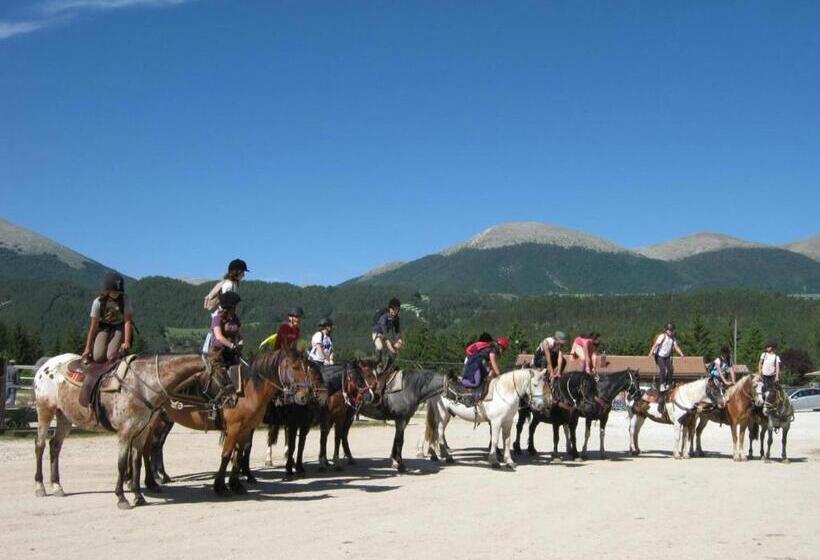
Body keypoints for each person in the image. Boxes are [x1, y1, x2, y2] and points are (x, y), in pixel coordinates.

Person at [81, 272, 133, 364]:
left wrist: (127, 342)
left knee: (111, 356)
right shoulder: (98, 302)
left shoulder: (125, 300)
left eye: (118, 292)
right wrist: (87, 348)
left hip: (119, 327)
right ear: (107, 290)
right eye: (113, 291)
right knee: (98, 357)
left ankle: (121, 358)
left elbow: (127, 321)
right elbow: (93, 327)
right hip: (104, 327)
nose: (116, 294)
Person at [207, 291, 244, 408]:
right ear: (230, 306)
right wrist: (231, 345)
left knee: (240, 374)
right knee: (220, 376)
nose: (237, 308)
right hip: (218, 352)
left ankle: (237, 399)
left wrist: (240, 341)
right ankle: (214, 403)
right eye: (235, 306)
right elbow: (219, 337)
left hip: (231, 352)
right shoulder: (217, 318)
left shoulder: (235, 318)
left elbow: (239, 334)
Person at [649, 322, 685, 391]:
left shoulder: (672, 338)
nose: (671, 332)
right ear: (665, 330)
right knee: (662, 369)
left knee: (671, 369)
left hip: (667, 357)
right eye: (669, 330)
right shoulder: (662, 336)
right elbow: (655, 345)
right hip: (659, 356)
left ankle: (669, 384)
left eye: (672, 330)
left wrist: (681, 354)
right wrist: (650, 353)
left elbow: (676, 347)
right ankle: (662, 384)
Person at [372, 298, 404, 372]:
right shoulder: (384, 317)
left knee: (394, 351)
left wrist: (399, 340)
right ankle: (378, 364)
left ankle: (388, 368)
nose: (394, 311)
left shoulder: (396, 319)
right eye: (392, 309)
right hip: (377, 333)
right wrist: (392, 341)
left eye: (396, 309)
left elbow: (397, 331)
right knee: (380, 347)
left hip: (385, 336)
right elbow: (384, 330)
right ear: (390, 308)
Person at [757, 341, 782, 412]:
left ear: (772, 348)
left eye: (769, 346)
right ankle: (760, 405)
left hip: (772, 377)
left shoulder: (776, 357)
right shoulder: (764, 354)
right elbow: (760, 363)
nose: (767, 348)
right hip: (764, 376)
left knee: (772, 391)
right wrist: (759, 372)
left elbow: (777, 367)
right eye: (767, 346)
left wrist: (777, 376)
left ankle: (772, 406)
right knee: (761, 390)